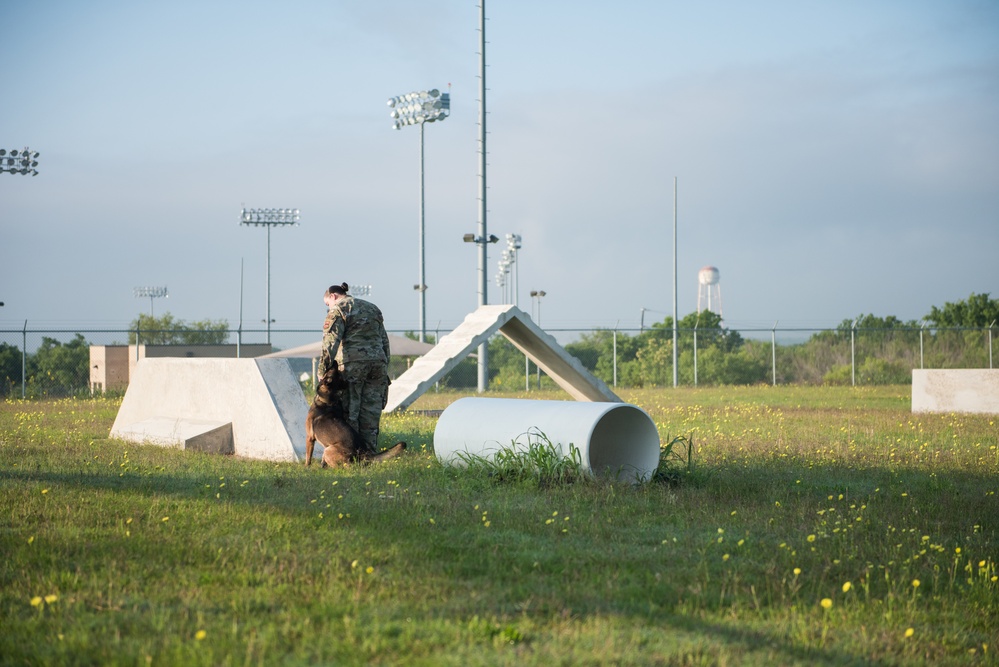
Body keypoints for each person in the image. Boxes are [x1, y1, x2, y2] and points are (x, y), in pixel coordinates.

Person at [317, 283, 392, 454]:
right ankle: (370, 454)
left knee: (350, 411)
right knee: (371, 412)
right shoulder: (373, 308)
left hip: (352, 365)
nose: (328, 307)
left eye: (327, 303)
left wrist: (323, 371)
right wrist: (384, 365)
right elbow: (384, 341)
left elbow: (330, 343)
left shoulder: (338, 309)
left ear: (333, 296)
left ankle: (352, 454)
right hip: (377, 365)